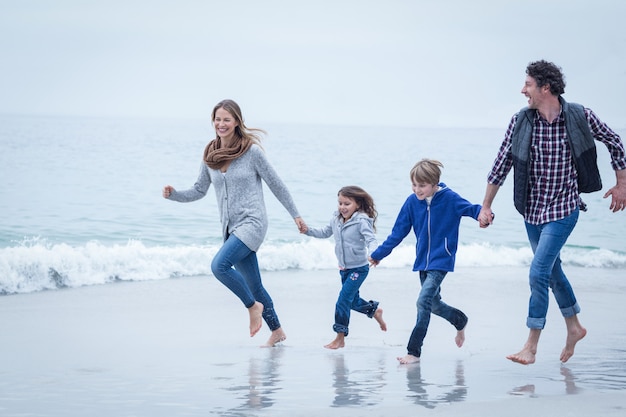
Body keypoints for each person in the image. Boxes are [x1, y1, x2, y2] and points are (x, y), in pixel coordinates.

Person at [478, 60, 626, 365]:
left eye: (528, 85)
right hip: (531, 211)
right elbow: (501, 164)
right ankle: (574, 326)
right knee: (552, 271)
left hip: (564, 209)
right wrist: (487, 204)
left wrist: (621, 183)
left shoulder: (579, 116)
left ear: (546, 88)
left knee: (538, 272)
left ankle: (531, 345)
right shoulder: (521, 121)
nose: (523, 90)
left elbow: (614, 140)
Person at [162, 99, 307, 347]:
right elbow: (199, 190)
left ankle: (252, 307)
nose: (221, 124)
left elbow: (276, 184)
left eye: (226, 119)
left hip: (253, 222)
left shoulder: (251, 152)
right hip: (231, 228)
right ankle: (277, 331)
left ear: (237, 122)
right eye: (217, 119)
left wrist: (296, 215)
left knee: (219, 266)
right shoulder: (210, 154)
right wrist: (174, 194)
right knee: (254, 284)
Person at [369, 159, 482, 364]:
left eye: (422, 185)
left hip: (442, 259)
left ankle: (414, 352)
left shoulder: (449, 199)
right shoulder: (412, 202)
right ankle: (460, 320)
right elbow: (398, 232)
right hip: (422, 261)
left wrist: (485, 215)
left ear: (434, 183)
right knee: (434, 305)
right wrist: (378, 254)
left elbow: (472, 210)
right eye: (414, 184)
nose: (417, 189)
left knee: (422, 302)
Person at [302, 185, 387, 349]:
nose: (342, 207)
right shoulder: (336, 219)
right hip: (344, 269)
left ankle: (340, 338)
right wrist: (307, 231)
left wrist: (375, 254)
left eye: (347, 204)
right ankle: (374, 311)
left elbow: (371, 240)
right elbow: (324, 232)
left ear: (358, 204)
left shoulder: (361, 221)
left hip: (359, 269)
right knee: (352, 302)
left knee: (342, 301)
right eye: (340, 203)